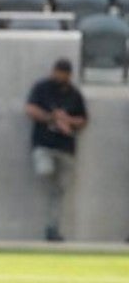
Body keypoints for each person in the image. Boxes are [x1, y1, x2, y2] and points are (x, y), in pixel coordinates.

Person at [25, 58, 87, 242]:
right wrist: (51, 118)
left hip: (65, 147)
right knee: (45, 170)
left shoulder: (74, 94)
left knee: (59, 192)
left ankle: (52, 230)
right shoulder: (42, 88)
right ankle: (52, 228)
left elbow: (83, 119)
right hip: (44, 145)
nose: (59, 76)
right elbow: (30, 109)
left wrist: (67, 121)